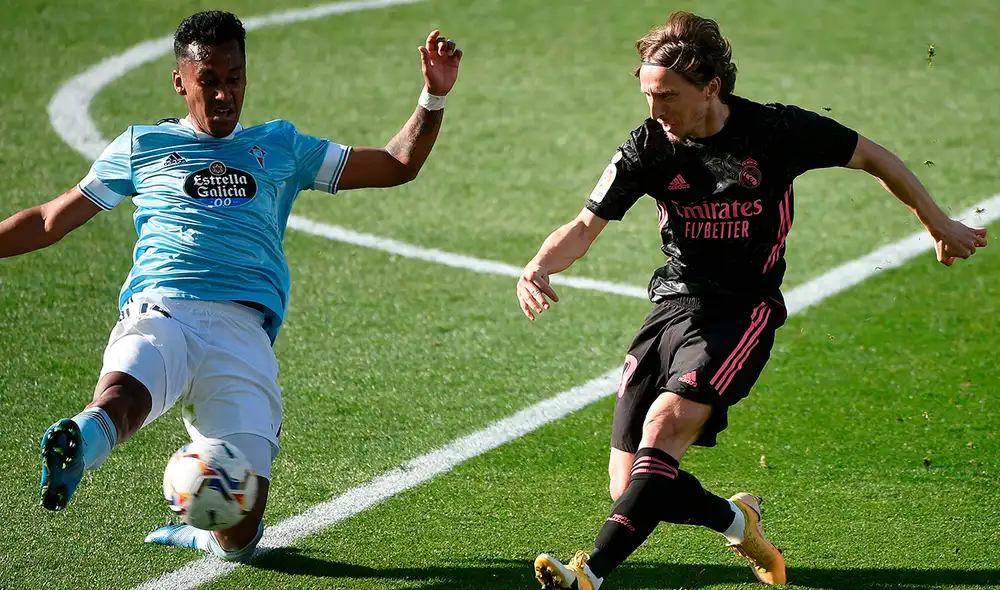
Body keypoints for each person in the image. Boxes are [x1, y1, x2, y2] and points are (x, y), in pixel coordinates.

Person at [518, 11, 986, 589]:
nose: (653, 109)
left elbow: (874, 157)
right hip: (670, 307)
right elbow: (585, 226)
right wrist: (539, 265)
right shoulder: (648, 147)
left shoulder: (775, 132)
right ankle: (738, 520)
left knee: (662, 431)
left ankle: (589, 573)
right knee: (635, 488)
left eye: (666, 95)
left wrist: (938, 224)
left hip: (742, 312)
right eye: (646, 94)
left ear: (710, 88)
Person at [0, 10, 462, 562]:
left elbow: (395, 163)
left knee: (240, 532)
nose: (224, 95)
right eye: (209, 82)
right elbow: (52, 218)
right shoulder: (141, 145)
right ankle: (78, 446)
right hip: (162, 308)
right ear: (180, 81)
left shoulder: (281, 147)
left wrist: (431, 99)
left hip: (243, 336)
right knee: (122, 397)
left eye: (235, 79)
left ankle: (204, 528)